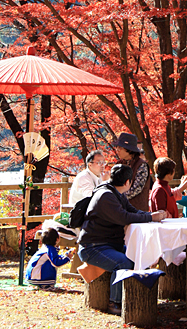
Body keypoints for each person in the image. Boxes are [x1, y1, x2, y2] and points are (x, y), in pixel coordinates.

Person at [77, 163, 167, 315]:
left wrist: (152, 215)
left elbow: (132, 211)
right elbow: (123, 217)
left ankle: (137, 297)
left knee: (137, 254)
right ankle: (115, 302)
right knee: (123, 263)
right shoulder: (106, 196)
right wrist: (151, 216)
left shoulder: (115, 193)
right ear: (127, 182)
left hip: (110, 244)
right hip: (93, 247)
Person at [114, 132, 151, 211]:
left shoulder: (141, 165)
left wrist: (115, 196)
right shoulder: (119, 164)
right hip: (119, 210)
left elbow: (136, 189)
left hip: (137, 212)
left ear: (129, 149)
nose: (117, 150)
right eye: (117, 147)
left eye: (120, 148)